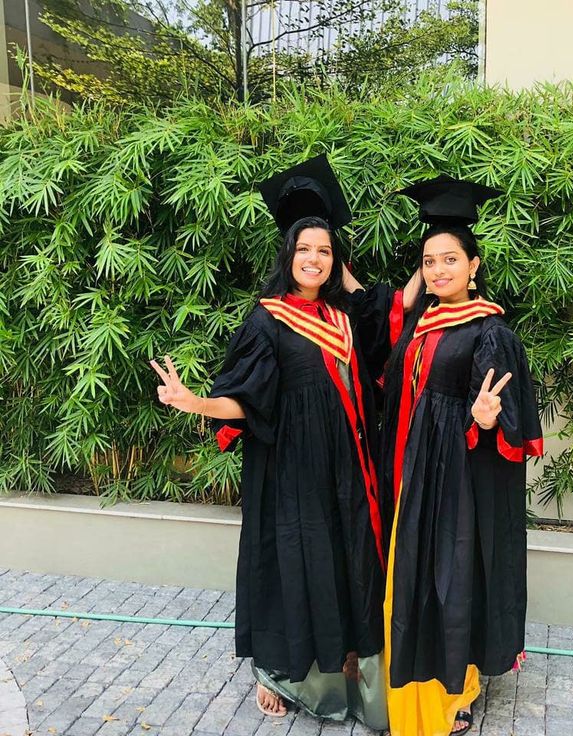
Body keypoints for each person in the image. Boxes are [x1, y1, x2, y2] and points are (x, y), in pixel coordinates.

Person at [150, 155, 390, 728]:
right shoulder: (266, 320)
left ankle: (351, 658)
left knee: (351, 559)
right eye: (304, 249)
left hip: (352, 467)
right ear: (287, 256)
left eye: (324, 251)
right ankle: (286, 672)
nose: (314, 259)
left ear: (336, 261)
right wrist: (197, 402)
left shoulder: (344, 315)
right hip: (295, 471)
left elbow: (383, 323)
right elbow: (247, 397)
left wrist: (343, 264)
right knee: (298, 564)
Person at [351, 175, 544, 736]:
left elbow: (508, 411)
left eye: (450, 260)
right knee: (415, 579)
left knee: (451, 578)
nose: (439, 270)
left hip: (454, 479)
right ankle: (421, 686)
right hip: (411, 474)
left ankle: (455, 695)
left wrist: (485, 419)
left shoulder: (489, 330)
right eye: (430, 262)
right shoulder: (420, 321)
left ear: (474, 265)